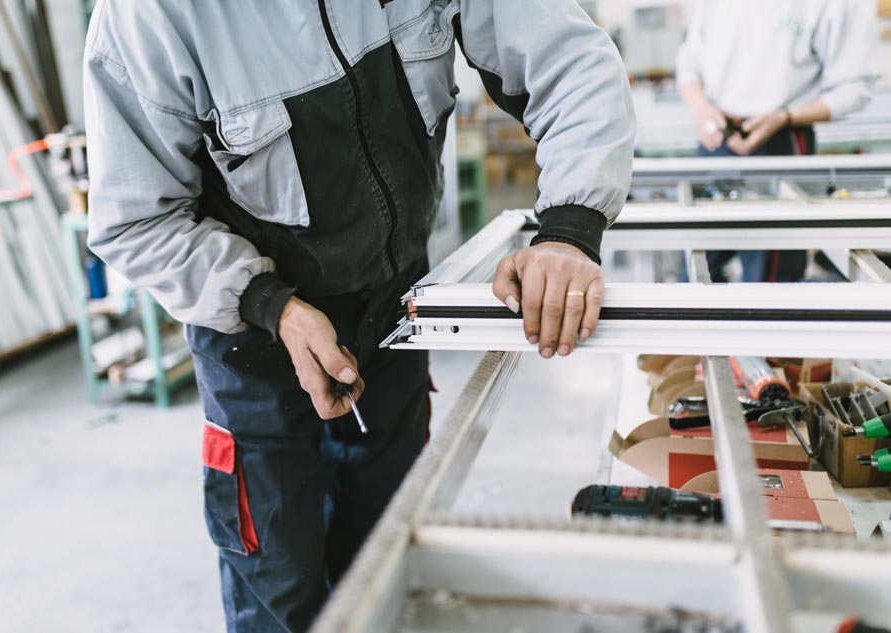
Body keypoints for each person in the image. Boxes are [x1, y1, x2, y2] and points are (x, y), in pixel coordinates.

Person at [84, 1, 634, 631]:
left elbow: (569, 58)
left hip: (392, 308)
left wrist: (569, 227)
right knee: (281, 587)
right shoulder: (150, 16)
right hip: (255, 337)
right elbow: (136, 218)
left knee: (388, 557)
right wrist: (273, 307)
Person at [676, 0, 878, 282]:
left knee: (769, 288)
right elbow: (689, 64)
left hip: (782, 139)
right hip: (716, 139)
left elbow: (855, 88)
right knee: (693, 274)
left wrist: (783, 117)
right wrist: (702, 109)